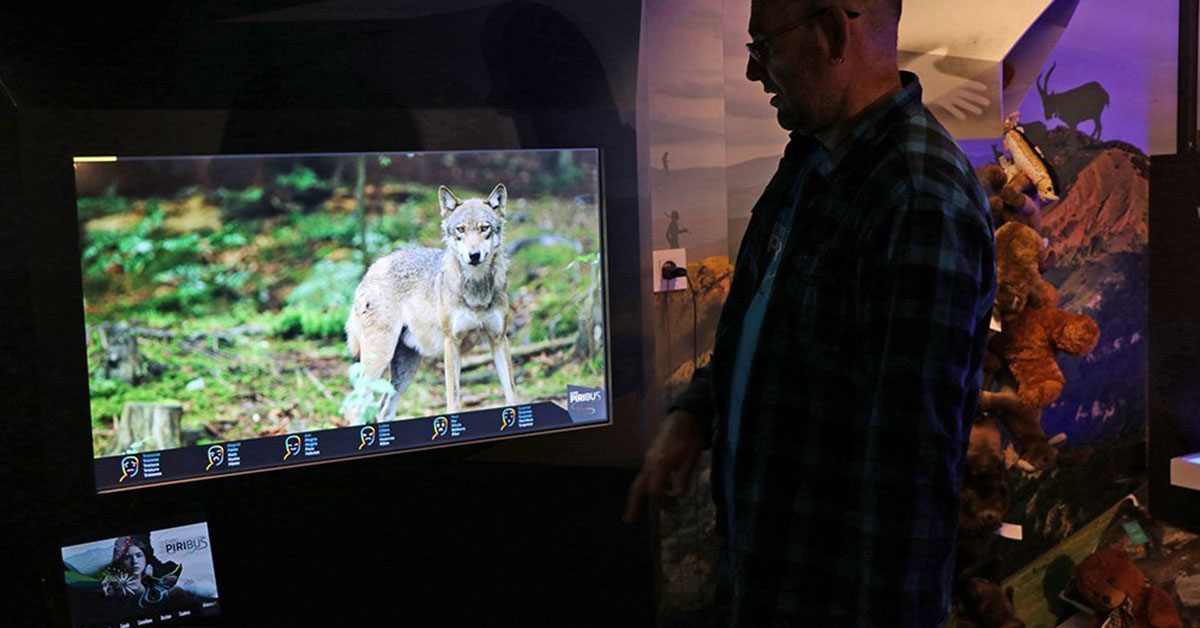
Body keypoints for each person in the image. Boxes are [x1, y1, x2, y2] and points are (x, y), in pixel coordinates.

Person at [624, 0, 996, 625]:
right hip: (769, 577)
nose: (753, 73)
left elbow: (910, 479)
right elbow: (756, 327)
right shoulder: (811, 160)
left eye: (762, 47)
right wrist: (692, 416)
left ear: (829, 33)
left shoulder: (920, 201)